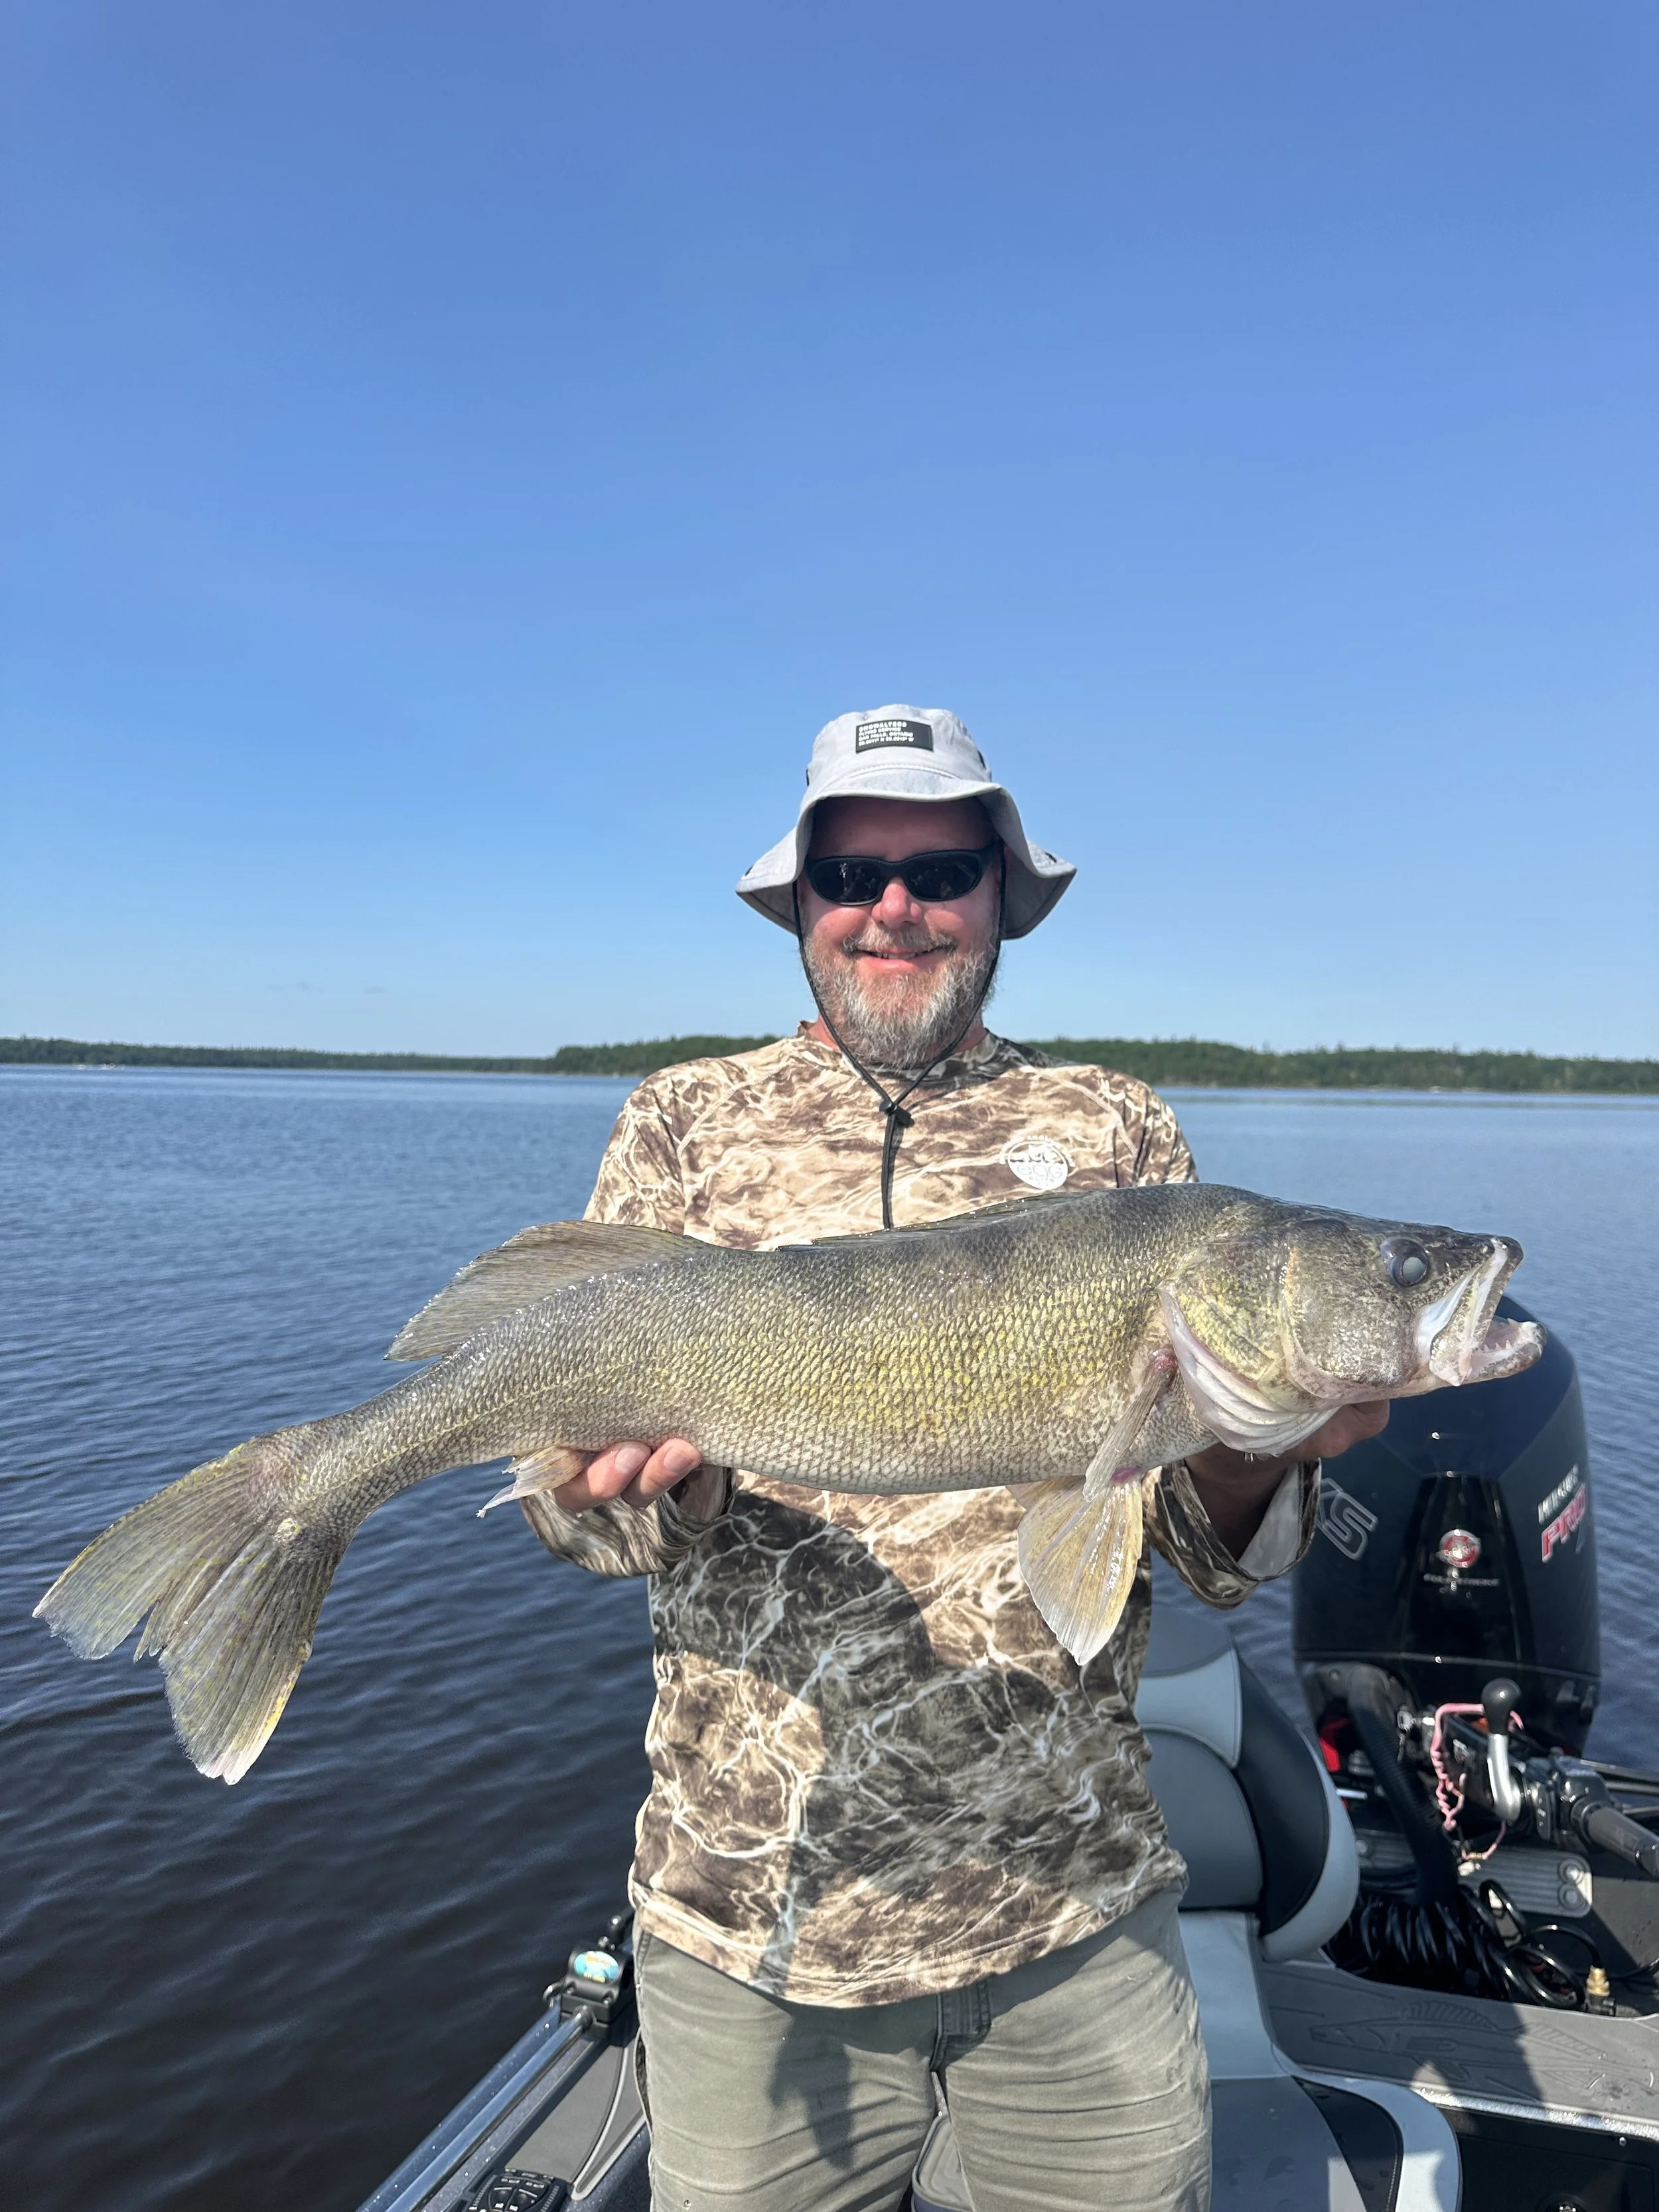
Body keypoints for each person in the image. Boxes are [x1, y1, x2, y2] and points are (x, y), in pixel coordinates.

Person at [523, 706, 1387, 2212]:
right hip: (752, 1914)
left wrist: (1259, 1447)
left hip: (1071, 1901)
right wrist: (652, 1492)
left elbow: (1198, 1550)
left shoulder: (1116, 1127)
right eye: (849, 872)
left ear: (1001, 894)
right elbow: (578, 1523)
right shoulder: (681, 1121)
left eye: (939, 866)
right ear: (799, 905)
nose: (893, 907)